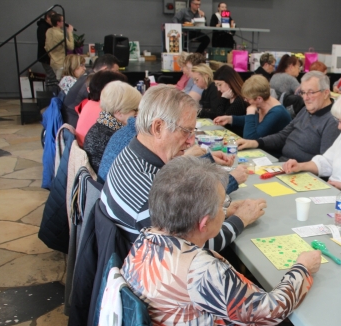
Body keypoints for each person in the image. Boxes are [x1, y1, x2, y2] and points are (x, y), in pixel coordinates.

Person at [121, 155, 330, 326]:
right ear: (203, 222)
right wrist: (302, 269)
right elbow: (270, 312)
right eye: (222, 206)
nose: (225, 210)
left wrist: (227, 212)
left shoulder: (145, 240)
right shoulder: (200, 270)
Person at [100, 85, 252, 247]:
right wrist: (241, 219)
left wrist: (222, 212)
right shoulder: (148, 194)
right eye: (186, 131)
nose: (190, 141)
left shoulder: (132, 154)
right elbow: (192, 246)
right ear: (158, 128)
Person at [236, 71, 340, 162]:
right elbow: (283, 136)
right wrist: (255, 142)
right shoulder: (306, 110)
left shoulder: (333, 120)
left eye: (311, 92)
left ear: (326, 93)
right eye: (303, 92)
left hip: (301, 172)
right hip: (283, 163)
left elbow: (325, 162)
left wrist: (300, 167)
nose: (305, 98)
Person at [83, 81, 141, 173]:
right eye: (135, 110)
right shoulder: (116, 136)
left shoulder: (100, 127)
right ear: (119, 113)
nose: (138, 114)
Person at [213, 75, 291, 140]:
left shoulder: (277, 112)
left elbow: (250, 138)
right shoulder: (265, 102)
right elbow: (257, 121)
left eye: (247, 99)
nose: (246, 100)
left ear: (259, 98)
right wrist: (230, 119)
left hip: (273, 153)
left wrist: (250, 113)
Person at [63, 54, 120, 126]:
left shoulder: (88, 76)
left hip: (73, 119)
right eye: (116, 71)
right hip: (75, 123)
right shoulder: (92, 82)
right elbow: (106, 104)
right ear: (105, 69)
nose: (118, 75)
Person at [75, 71, 127, 147]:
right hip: (94, 154)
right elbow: (125, 132)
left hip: (86, 150)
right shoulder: (104, 110)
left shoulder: (89, 103)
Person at [213, 65, 247, 135]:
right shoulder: (228, 97)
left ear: (230, 82)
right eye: (216, 85)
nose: (218, 89)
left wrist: (223, 99)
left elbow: (221, 119)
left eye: (220, 85)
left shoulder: (240, 100)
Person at [44, 13, 74, 80]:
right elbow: (71, 46)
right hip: (60, 63)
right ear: (58, 22)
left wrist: (52, 56)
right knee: (61, 82)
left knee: (56, 81)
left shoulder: (48, 31)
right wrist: (69, 32)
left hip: (53, 62)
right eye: (63, 21)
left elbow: (46, 47)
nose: (65, 22)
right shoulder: (60, 35)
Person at [37, 10, 58, 89]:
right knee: (51, 75)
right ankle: (50, 94)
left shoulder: (48, 27)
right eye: (53, 17)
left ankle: (50, 94)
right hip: (46, 56)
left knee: (51, 75)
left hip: (48, 56)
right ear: (48, 18)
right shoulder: (43, 27)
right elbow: (43, 42)